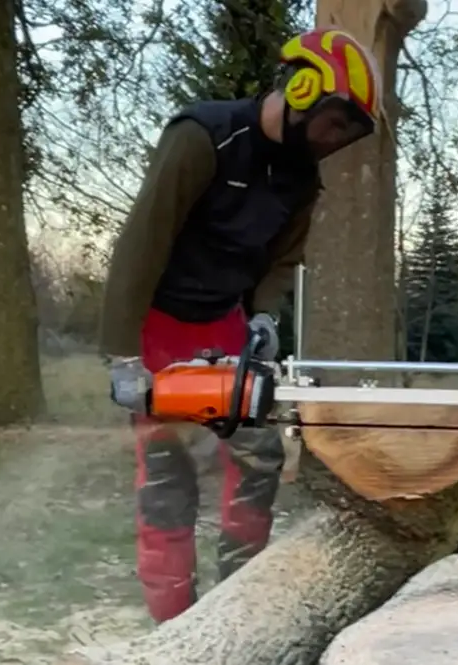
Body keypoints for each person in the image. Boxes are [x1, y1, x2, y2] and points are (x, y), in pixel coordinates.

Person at [98, 27, 384, 623]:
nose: (335, 142)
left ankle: (241, 604)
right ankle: (174, 622)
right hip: (158, 326)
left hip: (225, 323)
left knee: (258, 457)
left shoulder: (302, 177)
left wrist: (261, 314)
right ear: (303, 90)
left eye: (349, 134)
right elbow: (141, 244)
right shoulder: (203, 138)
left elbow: (283, 257)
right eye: (336, 124)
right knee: (168, 473)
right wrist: (124, 355)